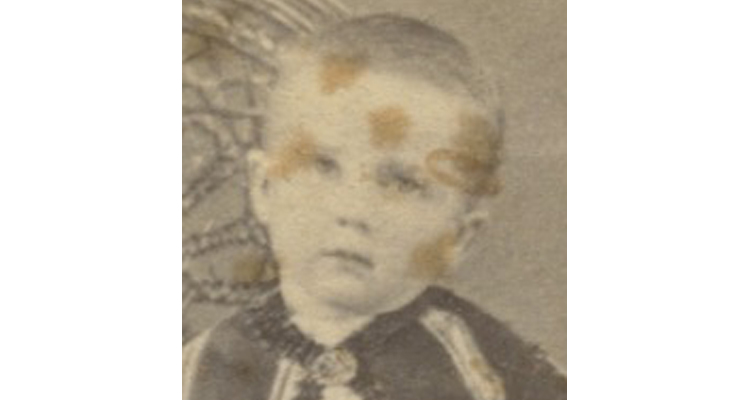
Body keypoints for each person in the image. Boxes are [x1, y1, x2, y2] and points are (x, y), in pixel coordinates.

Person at [183, 14, 566, 400]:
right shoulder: (197, 370)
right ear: (264, 187)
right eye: (323, 166)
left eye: (403, 184)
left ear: (457, 238)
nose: (354, 211)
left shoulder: (498, 373)